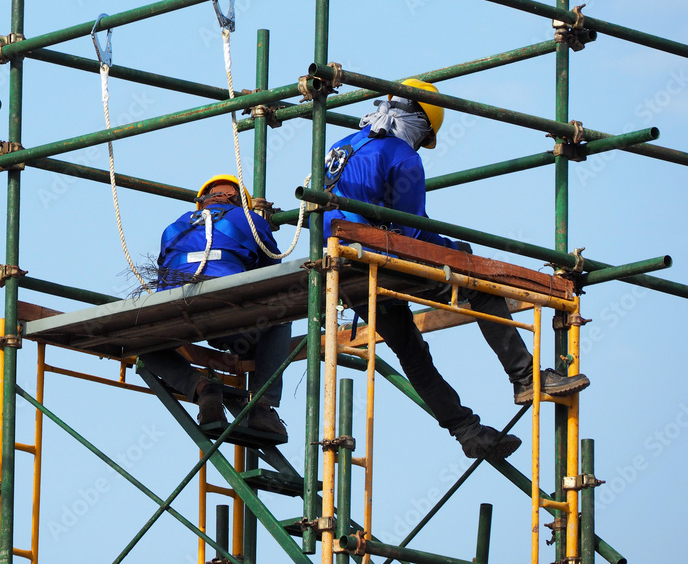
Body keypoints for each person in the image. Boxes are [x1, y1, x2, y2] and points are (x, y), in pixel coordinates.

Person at [323, 79, 589, 460]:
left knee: (410, 351)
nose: (420, 144)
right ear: (420, 122)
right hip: (374, 255)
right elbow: (410, 230)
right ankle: (526, 378)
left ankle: (466, 431)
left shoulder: (338, 146)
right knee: (477, 281)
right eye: (425, 135)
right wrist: (456, 251)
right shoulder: (400, 154)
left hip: (341, 265)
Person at [139, 175, 292, 437]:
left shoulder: (174, 227)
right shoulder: (250, 220)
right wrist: (260, 224)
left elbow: (166, 268)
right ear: (237, 199)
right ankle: (261, 407)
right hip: (224, 303)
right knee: (280, 317)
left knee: (145, 344)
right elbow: (270, 272)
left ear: (203, 201)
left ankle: (201, 388)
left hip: (179, 305)